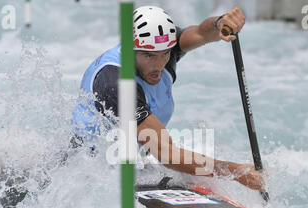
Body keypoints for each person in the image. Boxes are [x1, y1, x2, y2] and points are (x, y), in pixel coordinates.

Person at [72, 5, 264, 192]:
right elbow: (166, 153)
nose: (158, 65)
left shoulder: (163, 46)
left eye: (165, 54)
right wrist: (237, 173)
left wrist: (220, 23)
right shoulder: (115, 83)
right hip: (86, 172)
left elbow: (201, 33)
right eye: (149, 56)